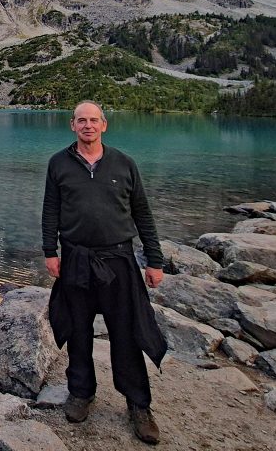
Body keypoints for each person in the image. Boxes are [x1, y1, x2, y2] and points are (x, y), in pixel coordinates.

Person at [41, 100, 167, 445]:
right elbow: (51, 209)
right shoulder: (58, 163)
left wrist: (154, 260)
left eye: (94, 120)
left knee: (126, 331)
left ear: (104, 125)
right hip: (75, 258)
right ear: (72, 125)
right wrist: (50, 251)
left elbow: (142, 213)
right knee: (78, 327)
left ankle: (138, 404)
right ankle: (81, 392)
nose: (88, 125)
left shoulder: (124, 163)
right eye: (81, 120)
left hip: (119, 259)